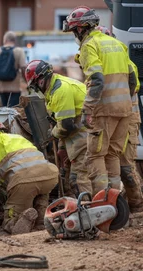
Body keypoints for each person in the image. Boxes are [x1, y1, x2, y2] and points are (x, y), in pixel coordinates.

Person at [63, 6, 137, 196]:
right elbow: (132, 80)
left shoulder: (89, 45)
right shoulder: (117, 44)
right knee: (112, 154)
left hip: (104, 111)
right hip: (125, 110)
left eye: (74, 31)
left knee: (95, 156)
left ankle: (102, 200)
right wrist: (125, 102)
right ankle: (115, 200)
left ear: (80, 29)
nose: (75, 35)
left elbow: (96, 79)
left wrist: (88, 110)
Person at [25, 60, 91, 198]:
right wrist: (61, 148)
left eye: (35, 86)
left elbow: (66, 125)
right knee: (66, 174)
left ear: (40, 80)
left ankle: (90, 209)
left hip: (86, 134)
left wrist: (52, 134)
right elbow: (60, 121)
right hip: (78, 134)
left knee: (77, 179)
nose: (36, 89)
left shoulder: (60, 90)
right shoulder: (53, 90)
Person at [96, 26, 143, 212]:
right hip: (114, 118)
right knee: (110, 161)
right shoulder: (102, 66)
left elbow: (133, 86)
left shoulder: (126, 64)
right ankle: (116, 203)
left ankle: (136, 205)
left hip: (127, 119)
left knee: (125, 167)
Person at [0, 31, 26, 107]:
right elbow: (23, 67)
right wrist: (26, 81)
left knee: (4, 109)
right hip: (15, 87)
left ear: (4, 40)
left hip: (1, 87)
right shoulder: (19, 51)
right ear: (14, 40)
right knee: (13, 110)